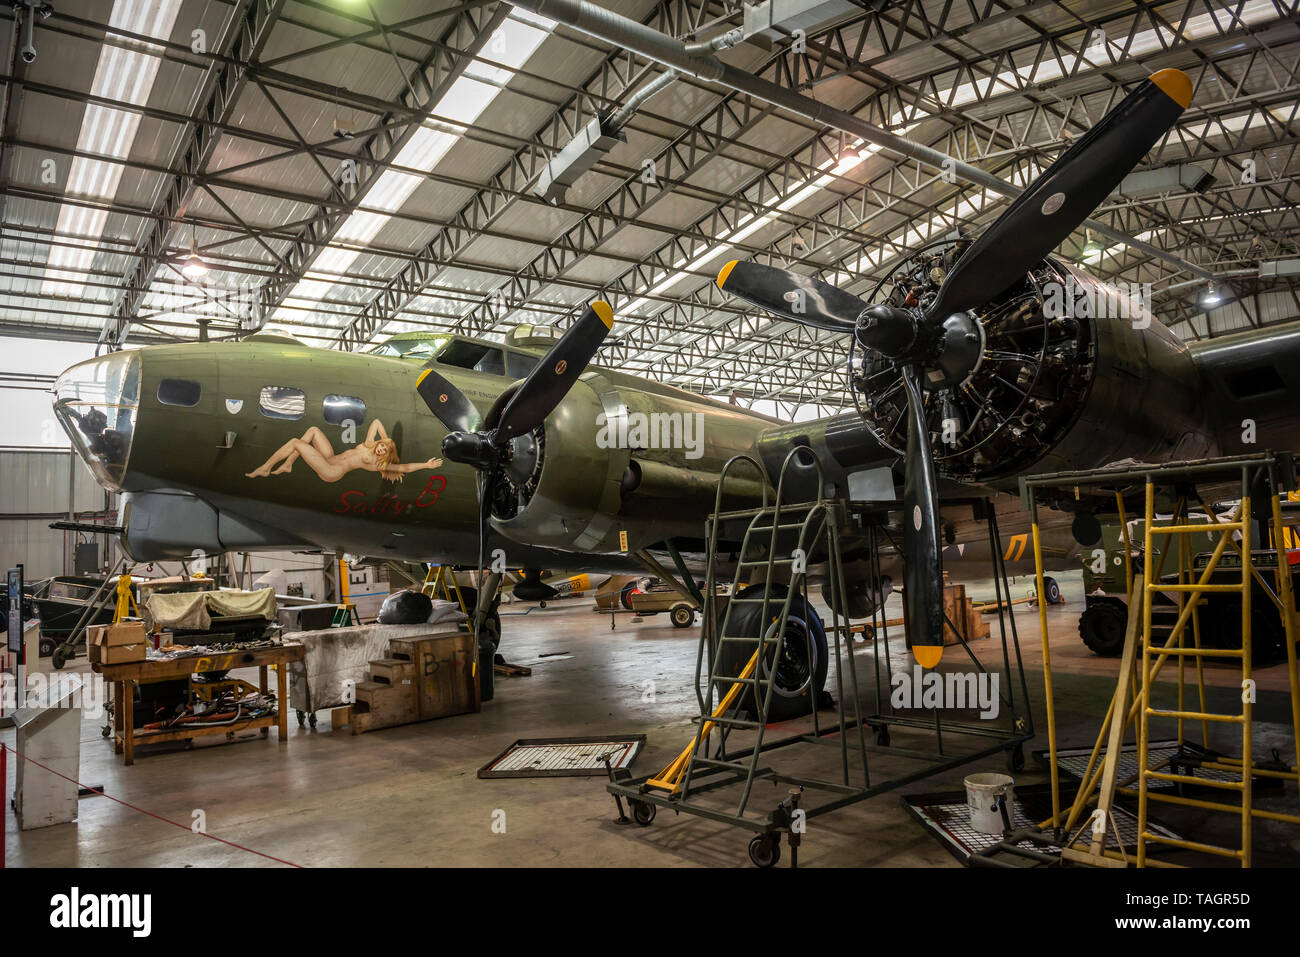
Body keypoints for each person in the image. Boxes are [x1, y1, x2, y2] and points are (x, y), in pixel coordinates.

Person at [245, 419, 440, 483]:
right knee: (313, 431)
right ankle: (287, 464)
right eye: (382, 445)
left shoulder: (378, 463)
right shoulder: (369, 443)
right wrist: (387, 439)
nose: (380, 448)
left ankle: (266, 467)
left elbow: (405, 467)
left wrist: (426, 465)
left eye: (384, 449)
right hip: (330, 458)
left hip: (332, 471)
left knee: (297, 443)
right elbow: (377, 422)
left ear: (386, 454)